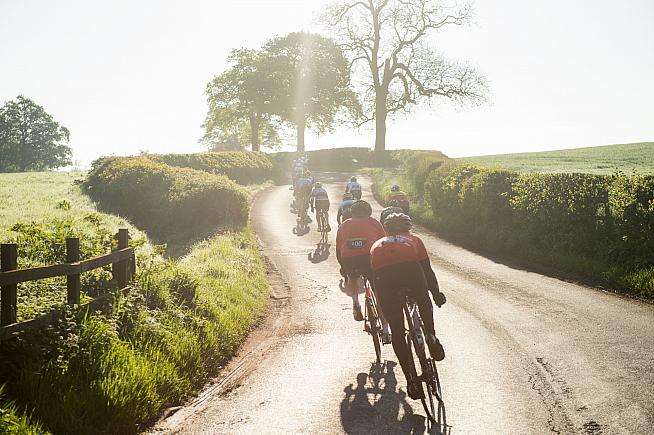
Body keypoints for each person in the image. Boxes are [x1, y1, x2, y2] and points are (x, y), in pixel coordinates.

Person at [370, 212, 446, 400]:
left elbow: (374, 282)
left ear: (385, 229)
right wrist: (436, 295)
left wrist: (385, 306)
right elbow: (427, 271)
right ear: (408, 227)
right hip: (411, 272)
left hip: (385, 278)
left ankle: (411, 380)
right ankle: (430, 335)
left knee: (398, 331)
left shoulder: (376, 245)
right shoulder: (414, 240)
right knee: (423, 300)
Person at [336, 201, 391, 344]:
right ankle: (386, 330)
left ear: (352, 213)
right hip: (370, 257)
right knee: (379, 293)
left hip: (349, 258)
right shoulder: (374, 223)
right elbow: (383, 242)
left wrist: (343, 267)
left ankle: (355, 302)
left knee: (352, 278)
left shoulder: (344, 224)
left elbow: (338, 249)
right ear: (368, 212)